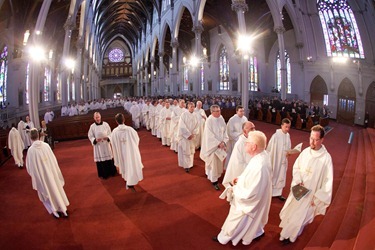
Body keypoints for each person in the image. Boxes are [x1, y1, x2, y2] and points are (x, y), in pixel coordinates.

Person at [213, 130, 272, 246]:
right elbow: (251, 178)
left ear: (254, 147)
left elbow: (250, 193)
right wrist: (240, 179)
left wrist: (235, 189)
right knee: (255, 221)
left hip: (250, 202)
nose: (245, 144)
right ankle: (256, 232)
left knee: (236, 218)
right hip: (257, 197)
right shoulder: (262, 156)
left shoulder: (260, 165)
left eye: (247, 142)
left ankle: (224, 237)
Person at [279, 125, 333, 243]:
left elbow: (328, 181)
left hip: (311, 194)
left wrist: (318, 197)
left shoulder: (326, 159)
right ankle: (286, 234)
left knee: (301, 216)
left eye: (315, 139)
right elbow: (296, 167)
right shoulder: (305, 152)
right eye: (310, 138)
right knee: (293, 212)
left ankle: (290, 236)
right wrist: (298, 180)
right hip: (299, 189)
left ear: (322, 140)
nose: (312, 142)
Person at [25, 128, 69, 218]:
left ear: (30, 137)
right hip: (52, 174)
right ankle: (63, 209)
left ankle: (55, 212)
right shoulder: (46, 146)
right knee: (56, 190)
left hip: (42, 178)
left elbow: (30, 168)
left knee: (46, 193)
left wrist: (37, 176)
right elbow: (54, 160)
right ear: (39, 135)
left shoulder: (30, 151)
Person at [110, 113, 144, 192]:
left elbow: (113, 143)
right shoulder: (130, 129)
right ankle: (131, 181)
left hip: (121, 153)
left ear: (116, 121)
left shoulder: (114, 132)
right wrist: (133, 147)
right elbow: (137, 139)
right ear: (124, 120)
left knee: (125, 166)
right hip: (131, 153)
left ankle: (128, 181)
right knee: (131, 165)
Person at [200, 105, 228, 190]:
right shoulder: (209, 120)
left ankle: (213, 175)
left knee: (218, 164)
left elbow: (225, 130)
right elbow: (209, 135)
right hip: (213, 146)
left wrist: (223, 141)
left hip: (220, 145)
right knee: (213, 164)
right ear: (212, 112)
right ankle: (214, 181)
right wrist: (218, 143)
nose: (219, 112)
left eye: (219, 110)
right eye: (217, 111)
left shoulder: (221, 118)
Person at [222, 121, 255, 188]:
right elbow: (238, 163)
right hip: (244, 172)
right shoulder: (240, 144)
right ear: (244, 131)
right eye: (251, 129)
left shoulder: (252, 140)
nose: (254, 130)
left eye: (254, 128)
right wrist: (251, 168)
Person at [266, 118, 292, 201]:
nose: (287, 129)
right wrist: (271, 160)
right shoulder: (276, 136)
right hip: (276, 160)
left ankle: (278, 193)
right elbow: (270, 149)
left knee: (281, 175)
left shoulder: (287, 135)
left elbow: (288, 146)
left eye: (289, 127)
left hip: (283, 160)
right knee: (275, 175)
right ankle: (270, 193)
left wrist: (289, 152)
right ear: (281, 126)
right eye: (286, 127)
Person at [88, 112, 117, 179]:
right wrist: (95, 140)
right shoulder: (92, 126)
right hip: (99, 146)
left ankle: (112, 172)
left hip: (106, 144)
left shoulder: (106, 124)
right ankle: (104, 174)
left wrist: (108, 138)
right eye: (96, 117)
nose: (97, 119)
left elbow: (110, 133)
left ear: (100, 117)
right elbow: (90, 136)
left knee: (109, 158)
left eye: (98, 117)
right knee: (101, 159)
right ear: (94, 118)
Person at [177, 102, 199, 173]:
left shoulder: (196, 115)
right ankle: (186, 166)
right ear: (188, 107)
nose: (192, 108)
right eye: (191, 107)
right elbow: (181, 126)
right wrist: (188, 135)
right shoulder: (184, 115)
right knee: (186, 151)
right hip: (185, 137)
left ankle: (190, 164)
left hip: (192, 137)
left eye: (193, 107)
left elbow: (197, 126)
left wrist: (193, 134)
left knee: (191, 151)